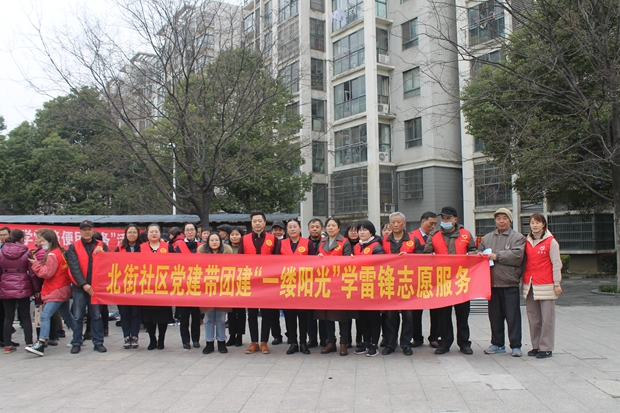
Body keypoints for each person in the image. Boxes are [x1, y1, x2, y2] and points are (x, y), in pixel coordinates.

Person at [424, 206, 477, 355]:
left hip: (461, 280)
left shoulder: (465, 234)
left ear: (455, 219)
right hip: (443, 281)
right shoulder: (434, 235)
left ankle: (464, 343)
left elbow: (473, 250)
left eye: (448, 218)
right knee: (443, 316)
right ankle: (445, 343)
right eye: (443, 218)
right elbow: (426, 254)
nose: (445, 221)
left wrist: (472, 255)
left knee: (462, 315)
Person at [478, 208, 526, 357]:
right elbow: (479, 253)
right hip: (492, 284)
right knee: (495, 316)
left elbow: (517, 256)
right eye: (498, 218)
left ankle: (516, 345)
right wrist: (478, 255)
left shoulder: (518, 238)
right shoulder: (487, 238)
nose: (501, 221)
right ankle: (497, 344)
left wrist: (496, 256)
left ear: (510, 220)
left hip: (509, 283)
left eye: (504, 218)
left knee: (513, 317)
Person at [25, 230, 74, 357]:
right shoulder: (59, 252)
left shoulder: (52, 254)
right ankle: (78, 335)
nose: (41, 243)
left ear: (50, 241)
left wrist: (35, 265)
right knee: (66, 315)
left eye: (43, 241)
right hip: (63, 287)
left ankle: (41, 343)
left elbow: (47, 273)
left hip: (55, 289)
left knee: (45, 316)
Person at [237, 211, 279, 355]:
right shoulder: (244, 239)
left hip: (268, 281)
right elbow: (239, 260)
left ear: (264, 223)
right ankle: (254, 341)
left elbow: (278, 261)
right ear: (251, 223)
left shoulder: (273, 239)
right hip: (251, 281)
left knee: (267, 313)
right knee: (252, 313)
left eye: (260, 221)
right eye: (254, 221)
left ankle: (264, 342)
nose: (257, 223)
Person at [523, 213, 562, 359]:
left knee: (547, 318)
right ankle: (536, 346)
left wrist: (557, 283)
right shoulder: (526, 241)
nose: (534, 225)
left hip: (546, 284)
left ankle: (546, 347)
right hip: (530, 285)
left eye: (537, 222)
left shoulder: (551, 242)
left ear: (543, 224)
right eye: (532, 223)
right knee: (533, 318)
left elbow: (556, 263)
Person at [66, 220, 108, 354]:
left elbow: (110, 263)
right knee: (78, 316)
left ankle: (98, 342)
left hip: (96, 287)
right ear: (80, 231)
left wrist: (104, 254)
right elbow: (74, 267)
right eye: (84, 229)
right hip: (80, 287)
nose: (87, 232)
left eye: (89, 229)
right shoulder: (73, 247)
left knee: (96, 316)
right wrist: (84, 284)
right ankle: (76, 342)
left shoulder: (101, 245)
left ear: (93, 230)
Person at [275, 219, 315, 355]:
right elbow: (275, 262)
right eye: (290, 227)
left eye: (295, 227)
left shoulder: (308, 243)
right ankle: (293, 343)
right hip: (287, 284)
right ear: (287, 230)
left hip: (303, 284)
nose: (292, 229)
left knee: (303, 316)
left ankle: (303, 343)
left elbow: (314, 262)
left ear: (300, 228)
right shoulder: (281, 244)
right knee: (289, 316)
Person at [315, 217, 354, 356]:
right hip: (325, 282)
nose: (330, 228)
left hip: (339, 283)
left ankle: (344, 342)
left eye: (333, 225)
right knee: (326, 314)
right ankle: (331, 341)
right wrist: (318, 257)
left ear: (339, 228)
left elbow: (347, 262)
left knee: (342, 315)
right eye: (328, 226)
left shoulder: (344, 242)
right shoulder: (322, 242)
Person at [381, 212, 417, 356]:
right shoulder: (384, 240)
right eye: (393, 222)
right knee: (390, 316)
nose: (396, 225)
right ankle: (390, 343)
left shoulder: (413, 240)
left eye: (398, 222)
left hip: (408, 282)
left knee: (408, 316)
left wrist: (410, 258)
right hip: (390, 282)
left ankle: (406, 343)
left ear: (404, 223)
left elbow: (422, 258)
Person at [0, 229, 37, 353]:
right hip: (23, 286)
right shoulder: (26, 252)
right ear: (22, 239)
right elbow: (32, 273)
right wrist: (36, 289)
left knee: (8, 317)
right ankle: (29, 343)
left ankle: (7, 345)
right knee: (25, 316)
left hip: (6, 286)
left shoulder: (1, 251)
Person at [352, 221, 385, 357]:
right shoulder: (357, 246)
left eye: (365, 230)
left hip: (373, 287)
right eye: (360, 230)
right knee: (362, 318)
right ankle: (366, 342)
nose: (361, 232)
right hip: (360, 288)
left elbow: (380, 266)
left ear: (371, 232)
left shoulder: (376, 246)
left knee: (373, 318)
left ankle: (374, 344)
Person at [140, 224, 174, 350]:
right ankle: (152, 339)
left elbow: (176, 262)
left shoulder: (168, 247)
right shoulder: (141, 248)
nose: (154, 234)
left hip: (163, 287)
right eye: (151, 232)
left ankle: (161, 339)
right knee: (148, 316)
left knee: (162, 315)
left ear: (160, 234)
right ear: (147, 234)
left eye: (156, 232)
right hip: (147, 287)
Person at [409, 212, 440, 348]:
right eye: (431, 223)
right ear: (423, 221)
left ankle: (434, 337)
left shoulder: (438, 236)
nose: (433, 226)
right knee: (416, 311)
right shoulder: (411, 236)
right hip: (417, 279)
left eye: (435, 224)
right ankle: (417, 337)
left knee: (436, 310)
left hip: (435, 278)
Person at [198, 233, 232, 355]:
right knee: (208, 318)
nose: (214, 242)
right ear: (207, 242)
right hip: (207, 289)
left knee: (221, 318)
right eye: (211, 240)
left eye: (216, 240)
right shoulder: (201, 255)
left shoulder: (227, 254)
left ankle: (221, 341)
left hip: (222, 289)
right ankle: (209, 342)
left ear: (220, 241)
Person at [173, 223, 202, 350]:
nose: (190, 232)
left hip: (197, 285)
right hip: (183, 285)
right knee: (184, 316)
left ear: (196, 231)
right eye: (187, 230)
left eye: (192, 230)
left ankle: (196, 340)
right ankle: (185, 340)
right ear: (184, 232)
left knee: (196, 316)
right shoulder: (178, 246)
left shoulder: (201, 246)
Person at [115, 224, 142, 349]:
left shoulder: (142, 248)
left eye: (134, 232)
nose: (132, 235)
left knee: (136, 313)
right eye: (129, 232)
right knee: (124, 312)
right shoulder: (119, 248)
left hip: (138, 286)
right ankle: (126, 336)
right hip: (123, 286)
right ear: (125, 234)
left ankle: (135, 336)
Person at [306, 218, 326, 348]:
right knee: (309, 314)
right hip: (307, 282)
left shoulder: (326, 243)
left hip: (323, 281)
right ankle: (312, 338)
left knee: (323, 313)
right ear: (308, 229)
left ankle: (324, 339)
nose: (314, 229)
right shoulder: (304, 243)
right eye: (312, 227)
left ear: (321, 229)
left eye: (317, 227)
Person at [225, 227, 246, 347]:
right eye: (232, 235)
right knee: (231, 312)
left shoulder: (244, 248)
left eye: (237, 234)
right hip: (229, 282)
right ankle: (232, 335)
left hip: (242, 282)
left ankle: (240, 336)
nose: (234, 237)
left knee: (241, 312)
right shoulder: (225, 248)